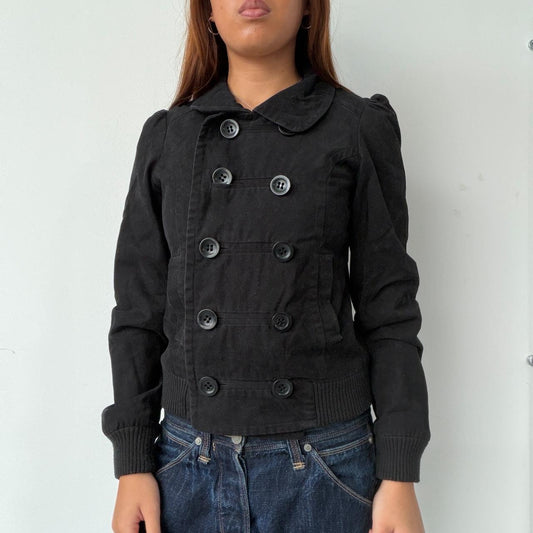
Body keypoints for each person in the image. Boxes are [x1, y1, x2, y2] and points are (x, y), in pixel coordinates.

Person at [101, 0, 431, 532]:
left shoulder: (355, 127)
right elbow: (139, 309)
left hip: (326, 466)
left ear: (309, 7)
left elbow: (388, 309)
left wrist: (398, 472)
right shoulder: (169, 136)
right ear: (207, 12)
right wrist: (133, 461)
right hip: (185, 465)